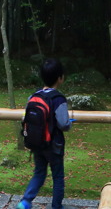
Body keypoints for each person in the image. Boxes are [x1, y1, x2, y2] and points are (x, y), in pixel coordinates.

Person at [17, 57, 73, 209]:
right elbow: (63, 124)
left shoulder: (33, 97)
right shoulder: (58, 99)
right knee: (58, 176)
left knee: (39, 173)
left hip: (37, 142)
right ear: (60, 78)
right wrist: (70, 123)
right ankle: (56, 206)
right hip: (54, 145)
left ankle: (25, 202)